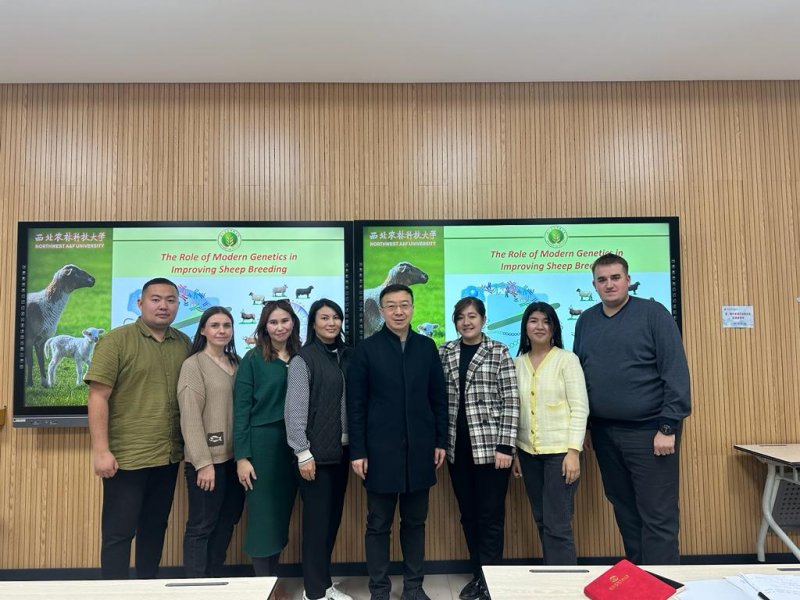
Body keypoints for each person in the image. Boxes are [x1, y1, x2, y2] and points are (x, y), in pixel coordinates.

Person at [573, 253, 691, 565]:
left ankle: (662, 583)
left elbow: (675, 372)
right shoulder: (586, 321)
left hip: (651, 433)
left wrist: (668, 426)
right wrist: (586, 427)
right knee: (625, 510)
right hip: (604, 434)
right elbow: (581, 377)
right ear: (594, 286)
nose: (609, 284)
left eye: (615, 278)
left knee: (658, 514)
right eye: (602, 280)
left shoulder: (654, 314)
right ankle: (639, 580)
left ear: (628, 280)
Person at [347, 283, 448, 600]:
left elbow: (439, 399)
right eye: (391, 306)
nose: (399, 311)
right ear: (382, 310)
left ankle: (413, 588)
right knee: (378, 524)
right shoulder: (367, 349)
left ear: (413, 308)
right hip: (379, 453)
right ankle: (379, 590)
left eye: (404, 305)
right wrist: (358, 451)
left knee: (415, 523)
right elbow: (356, 405)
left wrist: (440, 441)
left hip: (420, 450)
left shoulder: (426, 347)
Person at [86, 277, 191, 579]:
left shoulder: (183, 343)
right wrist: (101, 451)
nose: (163, 306)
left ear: (177, 305)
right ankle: (114, 593)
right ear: (140, 303)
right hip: (127, 458)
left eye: (170, 300)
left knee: (155, 528)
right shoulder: (116, 341)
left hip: (168, 455)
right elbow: (97, 396)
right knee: (119, 533)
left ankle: (147, 589)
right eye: (155, 299)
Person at [438, 297, 519, 600]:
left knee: (490, 516)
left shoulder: (498, 350)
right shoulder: (445, 351)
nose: (466, 322)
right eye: (460, 317)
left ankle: (490, 580)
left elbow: (511, 400)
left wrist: (506, 446)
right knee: (468, 515)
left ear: (483, 320)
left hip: (491, 449)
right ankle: (478, 575)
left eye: (472, 316)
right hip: (457, 449)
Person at [285, 299, 353, 600]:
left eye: (336, 317)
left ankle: (323, 585)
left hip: (342, 452)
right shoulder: (304, 359)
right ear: (313, 323)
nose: (331, 323)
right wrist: (303, 452)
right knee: (316, 525)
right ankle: (313, 592)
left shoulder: (346, 355)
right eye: (324, 318)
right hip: (314, 456)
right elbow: (294, 411)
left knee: (331, 521)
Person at [512, 302, 589, 565]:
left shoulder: (567, 360)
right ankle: (552, 577)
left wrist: (573, 452)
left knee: (558, 523)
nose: (540, 327)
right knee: (542, 519)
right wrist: (516, 453)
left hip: (561, 454)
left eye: (546, 321)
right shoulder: (517, 363)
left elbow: (580, 408)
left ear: (554, 327)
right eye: (533, 321)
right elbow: (516, 411)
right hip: (528, 454)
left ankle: (565, 582)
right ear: (525, 327)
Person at [234, 300, 301, 576]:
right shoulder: (253, 359)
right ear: (264, 326)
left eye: (285, 321)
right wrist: (242, 457)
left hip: (295, 446)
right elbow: (241, 410)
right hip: (262, 446)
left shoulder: (301, 356)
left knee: (281, 514)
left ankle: (273, 581)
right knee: (263, 518)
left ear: (293, 323)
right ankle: (265, 586)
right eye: (273, 322)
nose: (280, 327)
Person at [178, 306, 245, 577]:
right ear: (203, 330)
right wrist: (203, 463)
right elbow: (190, 417)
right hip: (207, 463)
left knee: (227, 521)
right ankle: (196, 587)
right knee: (201, 526)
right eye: (215, 325)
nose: (221, 331)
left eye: (227, 325)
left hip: (235, 461)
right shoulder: (193, 365)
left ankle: (215, 579)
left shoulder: (237, 363)